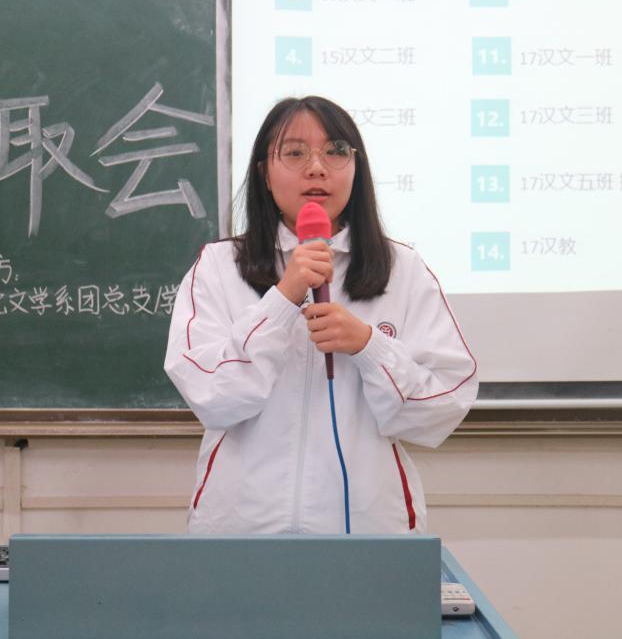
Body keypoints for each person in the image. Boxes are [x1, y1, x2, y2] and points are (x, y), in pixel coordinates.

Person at [164, 96, 478, 534]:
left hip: (368, 528)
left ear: (356, 169)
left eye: (335, 151)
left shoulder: (402, 269)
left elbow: (442, 407)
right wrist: (282, 300)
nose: (316, 168)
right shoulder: (219, 267)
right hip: (240, 527)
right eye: (295, 153)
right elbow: (212, 397)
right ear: (264, 174)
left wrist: (370, 347)